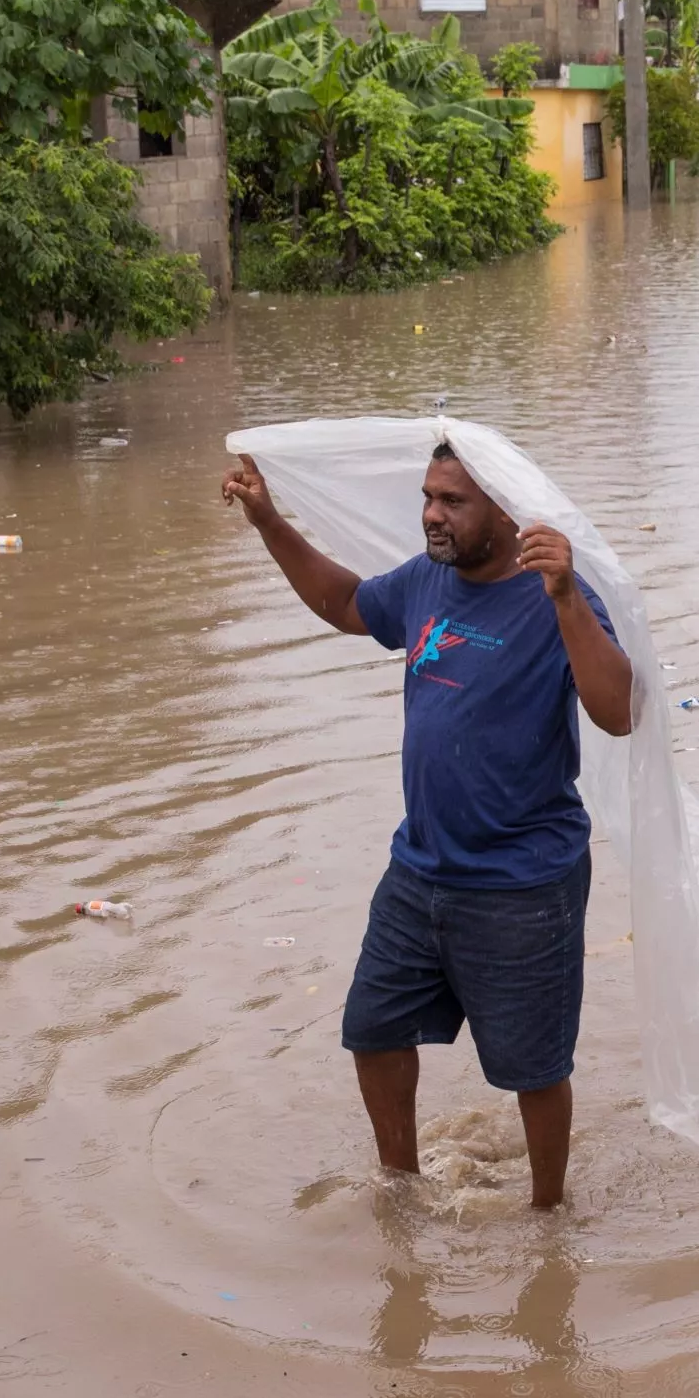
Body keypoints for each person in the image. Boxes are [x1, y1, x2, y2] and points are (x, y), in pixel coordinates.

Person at [222, 443, 634, 1209]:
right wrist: (269, 521)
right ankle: (400, 1189)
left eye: (453, 500)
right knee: (373, 1029)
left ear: (507, 514)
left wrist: (569, 597)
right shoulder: (426, 582)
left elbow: (617, 713)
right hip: (420, 869)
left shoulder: (554, 599)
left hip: (522, 884)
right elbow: (346, 604)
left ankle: (549, 1215)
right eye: (428, 496)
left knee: (534, 1069)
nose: (432, 515)